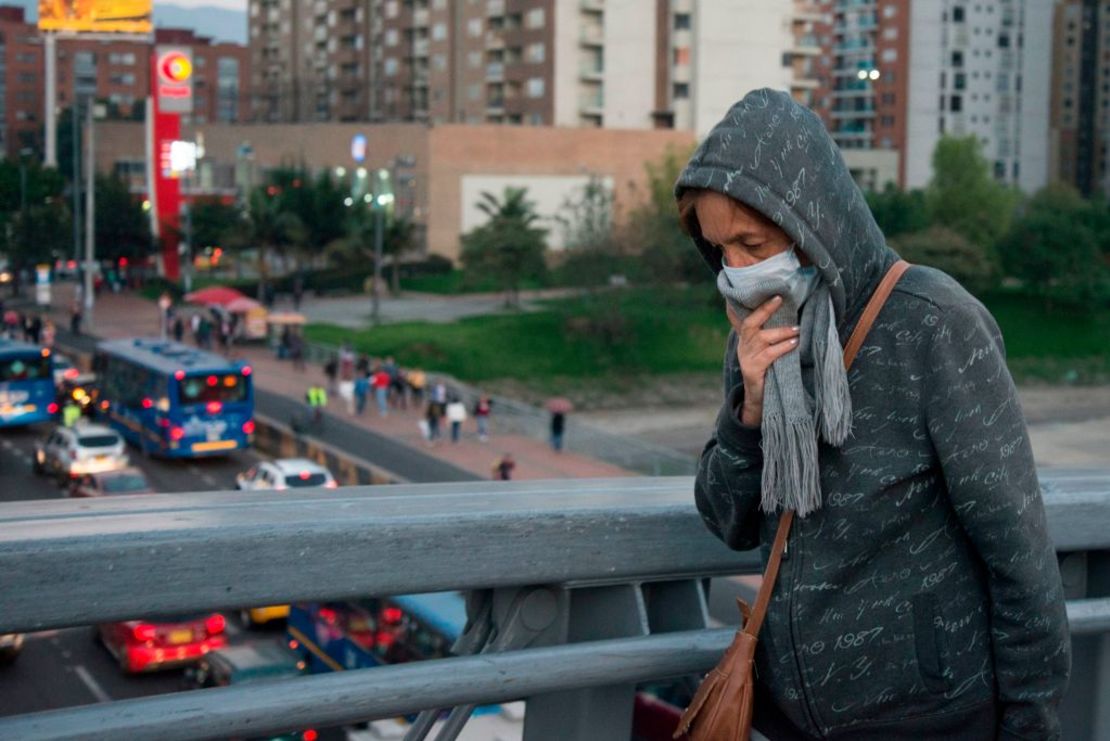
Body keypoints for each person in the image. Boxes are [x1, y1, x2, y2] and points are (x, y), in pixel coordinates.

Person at [675, 88, 1068, 740]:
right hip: (791, 719)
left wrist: (1031, 724)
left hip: (928, 720)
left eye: (752, 241)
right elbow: (729, 521)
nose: (737, 270)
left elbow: (1018, 554)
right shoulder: (757, 336)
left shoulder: (934, 325)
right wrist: (746, 406)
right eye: (721, 249)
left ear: (813, 222)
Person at [337, 342, 356, 415]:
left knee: (349, 398)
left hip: (347, 386)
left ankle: (350, 409)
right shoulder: (350, 356)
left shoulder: (346, 357)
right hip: (348, 385)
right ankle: (350, 409)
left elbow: (343, 360)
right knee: (349, 399)